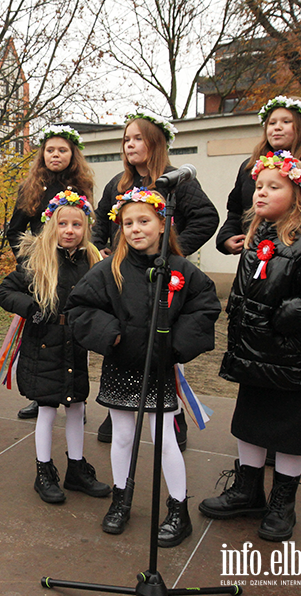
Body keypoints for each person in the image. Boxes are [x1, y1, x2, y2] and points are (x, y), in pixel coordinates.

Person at [199, 151, 301, 542]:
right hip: (256, 354)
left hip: (292, 359)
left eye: (274, 187)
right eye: (258, 187)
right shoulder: (260, 234)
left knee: (290, 433)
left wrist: (288, 315)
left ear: (299, 193)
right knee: (249, 424)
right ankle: (247, 489)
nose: (261, 194)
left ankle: (283, 503)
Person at [67, 187, 220, 546]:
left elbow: (205, 306)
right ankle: (121, 497)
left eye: (144, 221)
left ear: (163, 224)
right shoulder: (110, 270)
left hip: (160, 369)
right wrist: (113, 336)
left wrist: (175, 346)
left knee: (165, 439)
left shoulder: (181, 269)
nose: (135, 229)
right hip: (122, 365)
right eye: (128, 223)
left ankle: (178, 508)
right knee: (121, 436)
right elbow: (80, 307)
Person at [91, 110, 218, 450]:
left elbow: (207, 218)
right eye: (127, 139)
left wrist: (172, 252)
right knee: (126, 335)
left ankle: (172, 413)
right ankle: (120, 405)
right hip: (122, 275)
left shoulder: (178, 181)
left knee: (159, 340)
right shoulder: (117, 184)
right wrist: (103, 249)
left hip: (162, 279)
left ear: (155, 142)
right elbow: (102, 224)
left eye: (137, 138)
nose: (130, 145)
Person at [0, 191, 110, 503]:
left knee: (76, 406)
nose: (70, 230)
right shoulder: (38, 260)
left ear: (86, 228)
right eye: (63, 224)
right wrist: (32, 308)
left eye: (77, 224)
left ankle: (76, 467)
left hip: (75, 345)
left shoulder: (93, 261)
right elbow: (6, 291)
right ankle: (44, 470)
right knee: (47, 408)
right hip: (44, 344)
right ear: (53, 226)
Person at [5, 124, 95, 420]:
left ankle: (71, 393)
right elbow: (15, 228)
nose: (56, 155)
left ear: (73, 154)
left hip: (72, 265)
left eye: (63, 150)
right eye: (50, 150)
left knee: (71, 331)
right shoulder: (30, 187)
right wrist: (29, 259)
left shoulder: (82, 187)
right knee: (40, 334)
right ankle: (40, 395)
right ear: (42, 154)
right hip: (43, 267)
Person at [216, 95, 301, 255]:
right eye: (272, 123)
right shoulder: (250, 167)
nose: (277, 127)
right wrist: (227, 236)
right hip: (257, 257)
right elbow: (236, 211)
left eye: (286, 122)